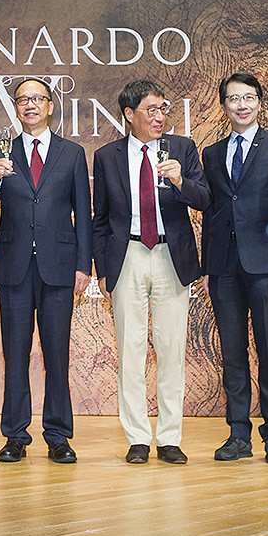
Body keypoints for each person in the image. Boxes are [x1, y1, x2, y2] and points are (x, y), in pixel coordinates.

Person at [0, 78, 91, 464]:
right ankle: (15, 435)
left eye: (37, 99)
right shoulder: (1, 151)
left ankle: (58, 435)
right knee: (16, 354)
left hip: (58, 267)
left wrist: (83, 266)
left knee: (57, 355)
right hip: (14, 267)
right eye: (22, 100)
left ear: (51, 106)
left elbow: (84, 216)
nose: (30, 106)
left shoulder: (72, 153)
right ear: (16, 108)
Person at [92, 79, 210, 465]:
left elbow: (205, 198)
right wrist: (103, 269)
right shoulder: (108, 156)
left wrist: (180, 181)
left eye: (164, 109)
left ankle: (171, 437)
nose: (160, 117)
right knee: (130, 348)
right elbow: (99, 218)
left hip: (169, 255)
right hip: (126, 255)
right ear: (130, 114)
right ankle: (138, 438)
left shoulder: (183, 149)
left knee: (172, 347)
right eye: (152, 110)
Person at [200, 72, 268, 465]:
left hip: (265, 264)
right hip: (224, 266)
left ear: (260, 102)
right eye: (233, 99)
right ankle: (238, 435)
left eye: (248, 98)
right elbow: (212, 208)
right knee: (232, 353)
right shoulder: (211, 153)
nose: (241, 105)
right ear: (224, 105)